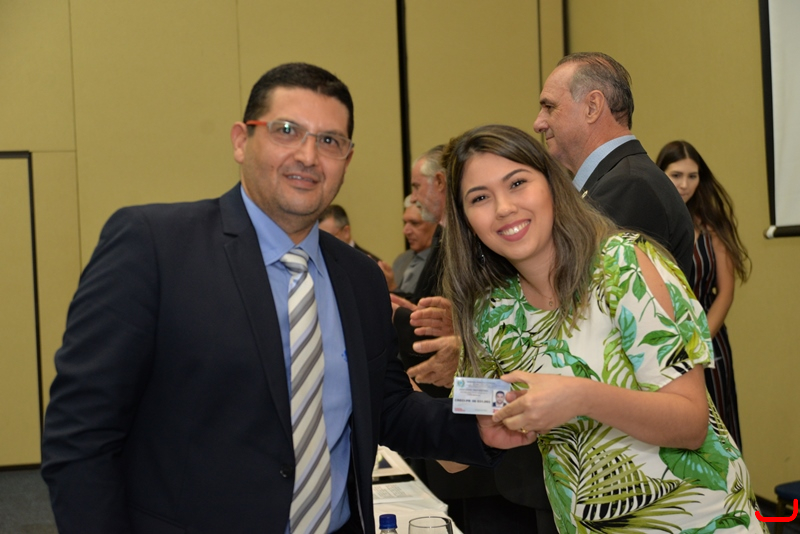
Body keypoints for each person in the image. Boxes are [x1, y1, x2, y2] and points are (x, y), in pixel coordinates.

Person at [39, 62, 533, 534]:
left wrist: (477, 428)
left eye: (329, 140)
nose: (308, 156)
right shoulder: (155, 247)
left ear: (347, 159)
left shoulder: (360, 279)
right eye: (287, 131)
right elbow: (79, 434)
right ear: (241, 140)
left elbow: (388, 409)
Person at [441, 123, 766, 534]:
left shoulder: (624, 264)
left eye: (517, 183)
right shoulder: (491, 312)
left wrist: (579, 396)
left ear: (553, 185)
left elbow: (690, 423)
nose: (503, 207)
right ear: (465, 220)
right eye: (480, 198)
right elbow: (452, 457)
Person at [533, 52, 694, 278]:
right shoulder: (617, 179)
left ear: (592, 107)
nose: (538, 123)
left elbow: (582, 283)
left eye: (549, 107)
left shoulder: (630, 186)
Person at [656, 140, 751, 450]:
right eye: (676, 175)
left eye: (692, 176)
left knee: (719, 427)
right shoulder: (650, 224)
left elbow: (725, 293)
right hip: (664, 341)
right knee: (673, 430)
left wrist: (699, 343)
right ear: (660, 175)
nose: (685, 184)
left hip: (710, 340)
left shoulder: (712, 227)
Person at [383, 195, 437, 294]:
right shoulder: (401, 259)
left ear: (436, 225)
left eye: (415, 223)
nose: (406, 231)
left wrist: (392, 288)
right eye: (405, 223)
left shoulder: (443, 263)